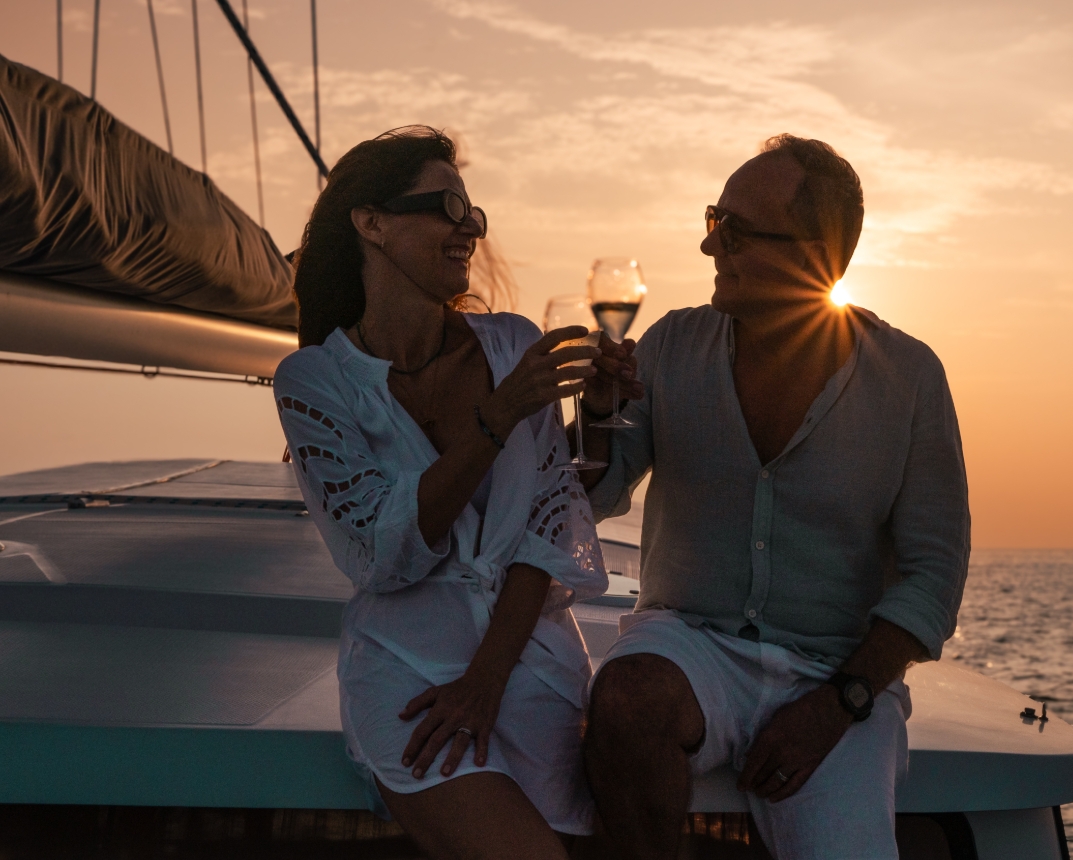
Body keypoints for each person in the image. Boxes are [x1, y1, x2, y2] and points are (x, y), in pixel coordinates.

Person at [578, 135, 971, 859]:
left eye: (733, 230)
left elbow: (934, 577)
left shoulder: (909, 378)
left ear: (814, 256)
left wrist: (841, 702)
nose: (708, 248)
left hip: (840, 671)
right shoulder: (669, 347)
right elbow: (591, 499)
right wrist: (596, 413)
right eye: (711, 219)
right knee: (628, 698)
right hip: (688, 641)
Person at [275, 126, 608, 860]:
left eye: (476, 213)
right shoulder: (314, 383)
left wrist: (488, 679)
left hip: (532, 664)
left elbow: (546, 533)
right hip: (409, 678)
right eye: (448, 206)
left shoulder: (515, 345)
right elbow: (382, 554)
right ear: (371, 223)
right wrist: (493, 422)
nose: (471, 228)